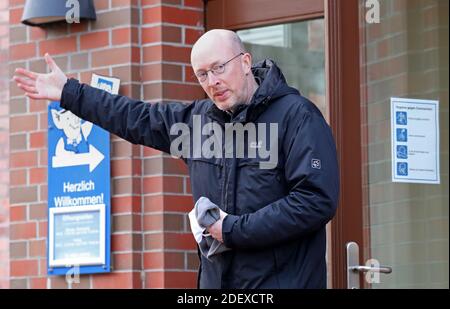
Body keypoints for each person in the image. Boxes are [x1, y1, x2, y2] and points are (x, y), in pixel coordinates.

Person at [13, 29, 339, 289]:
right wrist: (70, 93)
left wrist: (233, 229)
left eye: (218, 68)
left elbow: (314, 201)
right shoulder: (196, 123)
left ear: (244, 61)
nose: (212, 82)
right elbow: (134, 117)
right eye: (202, 74)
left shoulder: (297, 117)